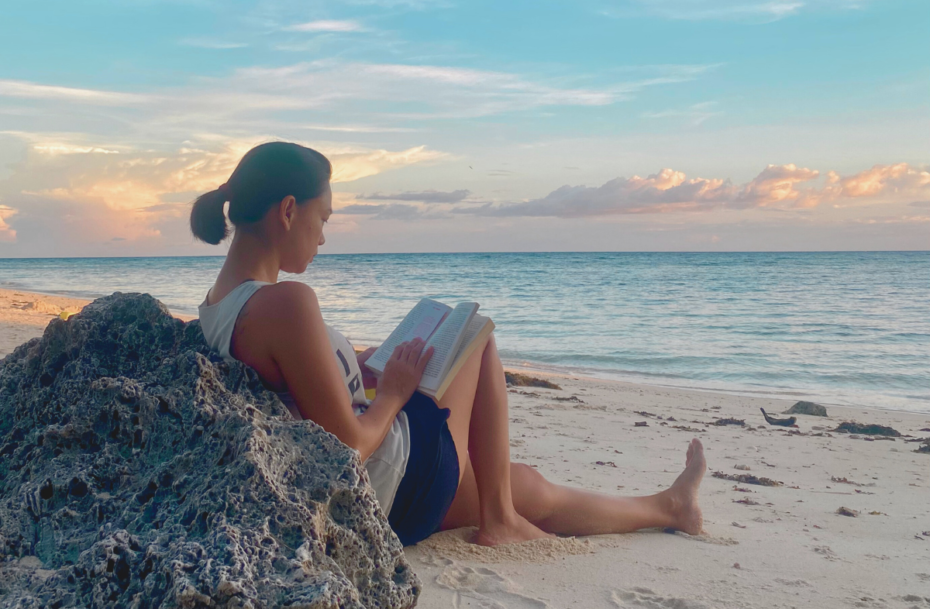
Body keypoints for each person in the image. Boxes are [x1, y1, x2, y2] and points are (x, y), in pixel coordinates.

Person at [191, 141, 706, 547]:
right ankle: (500, 521)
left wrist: (360, 362)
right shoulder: (288, 302)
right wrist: (392, 391)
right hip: (388, 481)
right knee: (476, 336)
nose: (323, 237)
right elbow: (346, 447)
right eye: (322, 218)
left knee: (518, 481)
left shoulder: (219, 302)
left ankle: (668, 508)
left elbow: (295, 388)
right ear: (287, 211)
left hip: (381, 492)